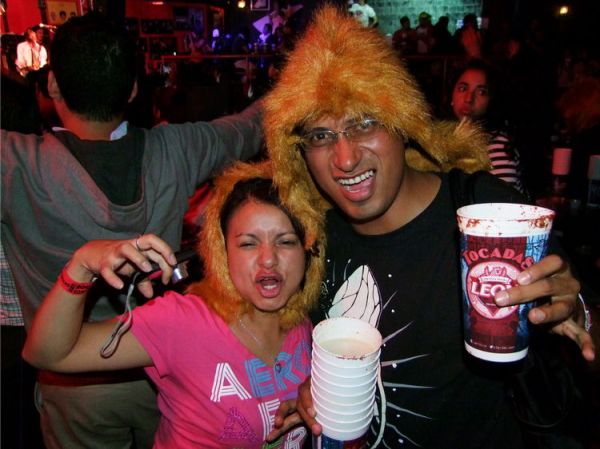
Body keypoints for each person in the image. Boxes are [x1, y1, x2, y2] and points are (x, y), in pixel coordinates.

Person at [260, 6, 595, 448]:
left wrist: (579, 313)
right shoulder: (314, 234)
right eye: (321, 136)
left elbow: (581, 330)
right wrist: (317, 389)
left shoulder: (483, 212)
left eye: (365, 123)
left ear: (403, 123)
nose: (345, 159)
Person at [2, 12, 263, 449]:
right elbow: (250, 127)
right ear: (133, 90)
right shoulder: (178, 148)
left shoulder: (15, 163)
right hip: (161, 372)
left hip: (74, 388)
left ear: (52, 86)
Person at [23, 161, 325, 448]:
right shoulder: (184, 321)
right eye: (248, 243)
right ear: (223, 253)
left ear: (307, 249)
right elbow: (48, 354)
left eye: (286, 241)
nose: (268, 259)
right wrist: (81, 266)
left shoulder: (311, 321)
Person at [450, 59, 528, 195]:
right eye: (463, 89)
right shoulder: (443, 138)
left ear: (491, 100)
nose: (469, 98)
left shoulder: (496, 145)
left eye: (481, 92)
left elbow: (502, 203)